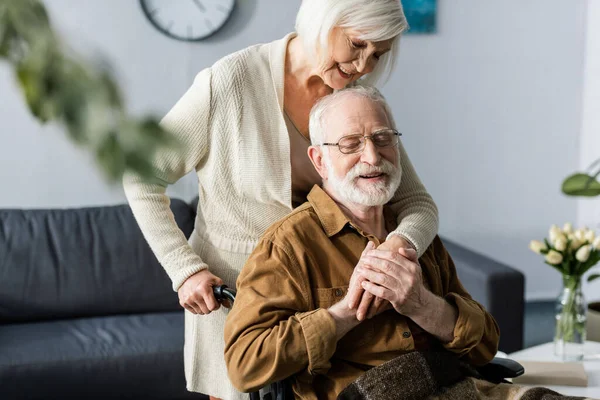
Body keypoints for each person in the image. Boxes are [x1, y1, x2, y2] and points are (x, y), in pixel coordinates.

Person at [123, 1, 439, 399]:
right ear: (324, 23)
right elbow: (140, 175)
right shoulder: (229, 82)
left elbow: (418, 205)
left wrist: (395, 250)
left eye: (378, 54)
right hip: (238, 308)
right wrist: (184, 269)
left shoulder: (355, 100)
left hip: (326, 313)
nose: (363, 66)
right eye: (358, 44)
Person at [223, 86, 499, 399]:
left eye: (383, 139)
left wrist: (421, 304)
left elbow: (486, 345)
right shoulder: (288, 244)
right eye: (350, 144)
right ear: (320, 160)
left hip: (452, 386)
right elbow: (245, 365)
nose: (372, 156)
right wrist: (347, 312)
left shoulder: (414, 234)